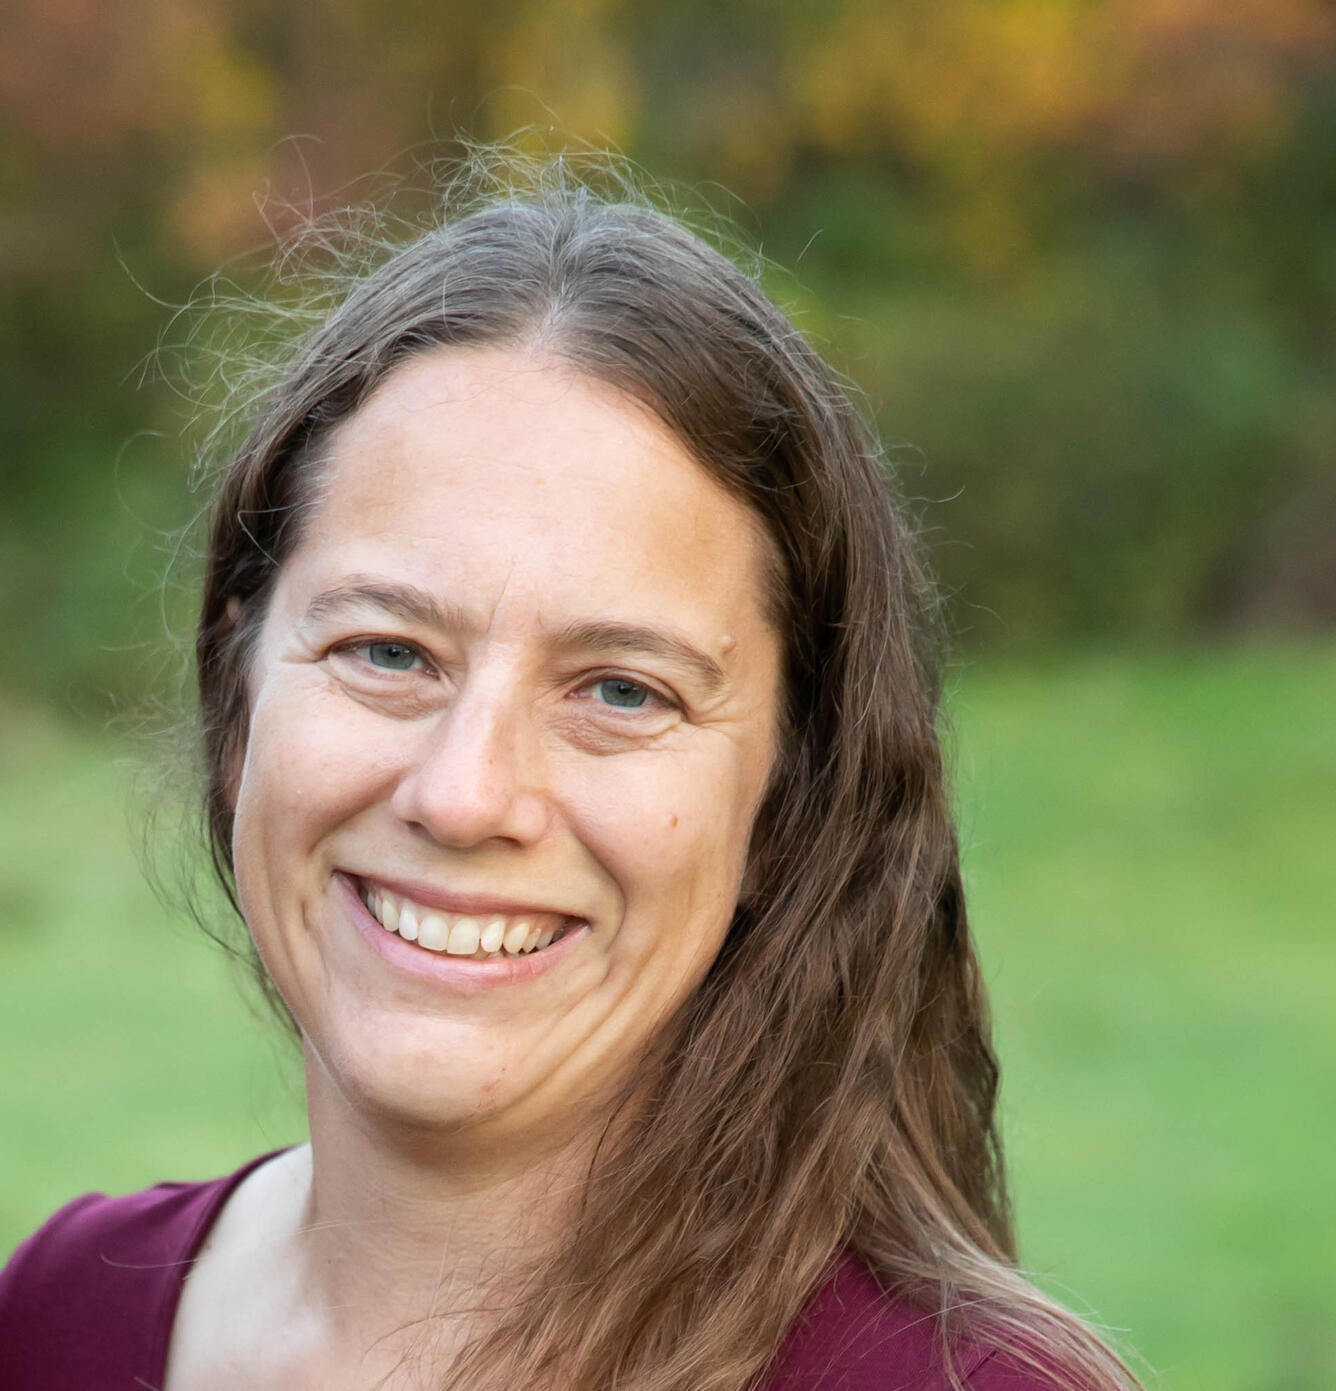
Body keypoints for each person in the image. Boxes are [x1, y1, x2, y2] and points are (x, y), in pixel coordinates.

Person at [0, 165, 1142, 1391]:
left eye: (619, 690)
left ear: (784, 799)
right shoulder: (57, 1320)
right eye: (388, 651)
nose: (464, 794)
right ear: (238, 700)